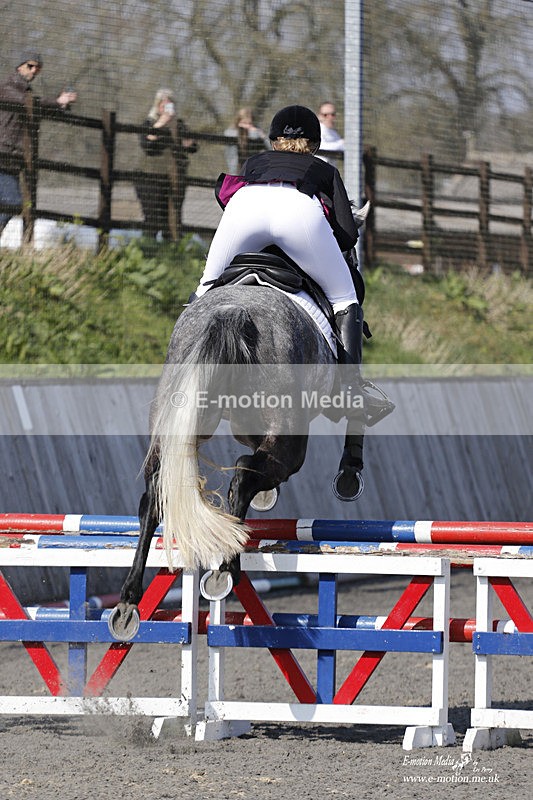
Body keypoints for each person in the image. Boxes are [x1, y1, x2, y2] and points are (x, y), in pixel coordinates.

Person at [194, 104, 393, 426]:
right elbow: (345, 234)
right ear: (314, 144)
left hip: (245, 208)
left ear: (274, 140)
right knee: (345, 299)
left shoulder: (254, 162)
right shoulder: (323, 169)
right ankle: (351, 389)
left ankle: (179, 373)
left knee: (206, 288)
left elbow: (228, 199)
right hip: (299, 213)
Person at [0, 51, 77, 236]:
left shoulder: (27, 93)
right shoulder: (8, 88)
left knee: (11, 202)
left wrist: (62, 105)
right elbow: (28, 104)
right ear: (20, 66)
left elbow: (40, 109)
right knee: (11, 201)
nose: (34, 70)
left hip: (10, 159)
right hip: (2, 154)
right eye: (30, 65)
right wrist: (57, 101)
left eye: (38, 68)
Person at [134, 88, 197, 240]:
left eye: (170, 105)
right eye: (163, 105)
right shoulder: (150, 122)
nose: (167, 108)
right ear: (157, 106)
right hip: (149, 178)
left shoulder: (179, 125)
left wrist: (187, 142)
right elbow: (146, 144)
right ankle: (148, 249)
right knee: (153, 219)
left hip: (175, 178)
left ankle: (172, 252)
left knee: (173, 218)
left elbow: (193, 146)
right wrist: (161, 123)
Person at [224, 107, 270, 173]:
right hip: (235, 170)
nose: (247, 126)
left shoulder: (257, 132)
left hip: (254, 170)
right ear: (238, 121)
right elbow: (228, 134)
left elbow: (271, 147)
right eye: (244, 123)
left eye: (250, 124)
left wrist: (262, 135)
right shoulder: (231, 131)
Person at [317, 101, 344, 165]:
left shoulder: (334, 134)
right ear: (319, 116)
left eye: (332, 114)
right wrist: (342, 143)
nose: (330, 118)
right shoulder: (316, 130)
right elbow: (321, 147)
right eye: (325, 115)